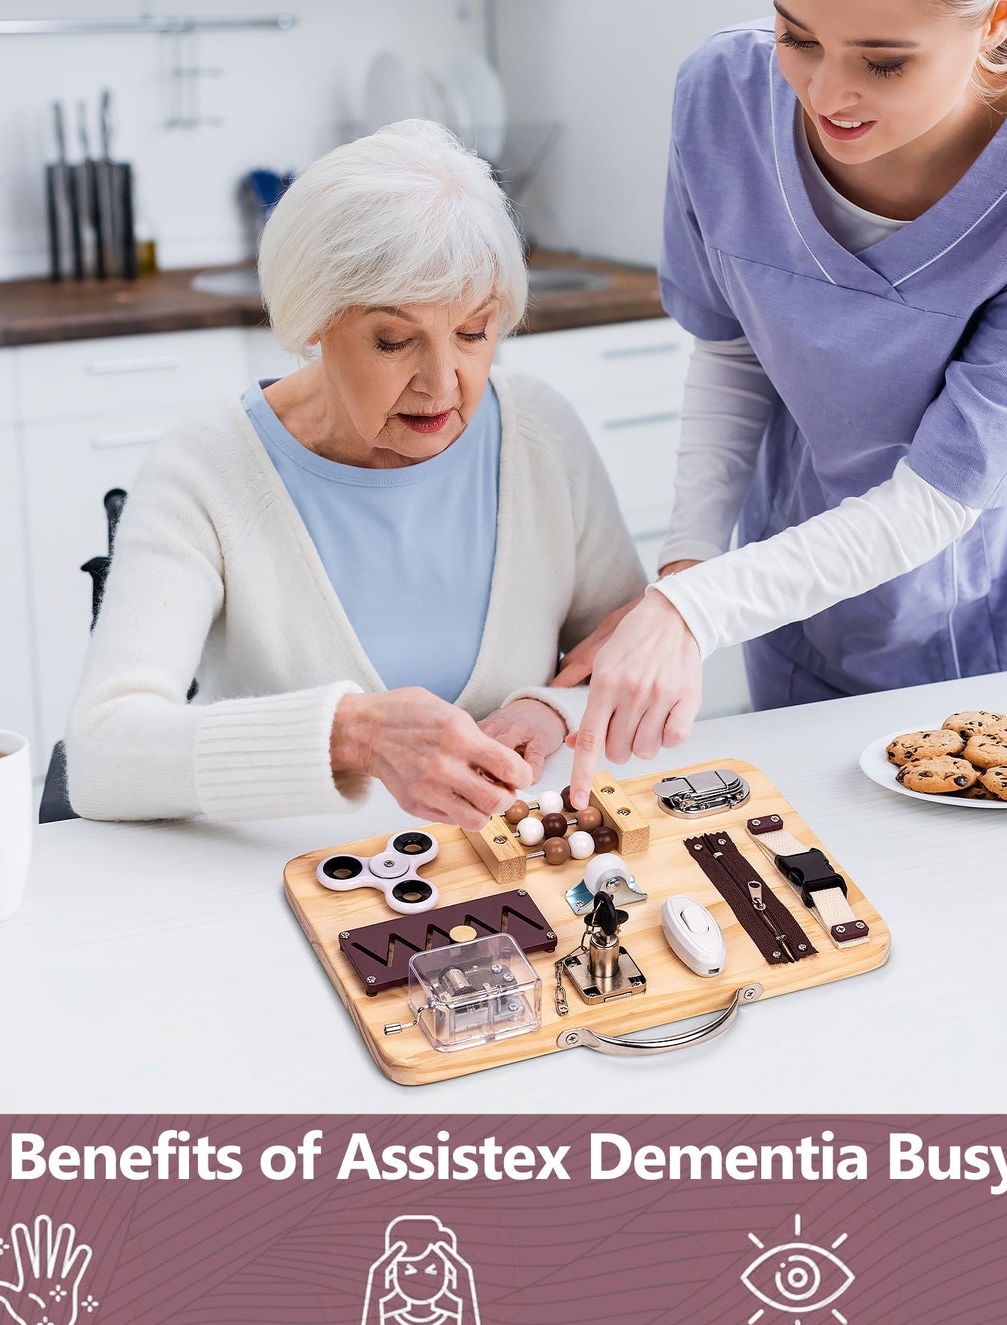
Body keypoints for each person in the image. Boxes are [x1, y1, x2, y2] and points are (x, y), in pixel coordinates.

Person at [558, 0, 1007, 805]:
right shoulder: (722, 94)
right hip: (807, 571)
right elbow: (736, 347)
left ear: (994, 18)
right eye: (797, 37)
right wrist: (688, 571)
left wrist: (692, 609)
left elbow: (939, 495)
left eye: (883, 62)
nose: (826, 93)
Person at [66, 121, 644, 828]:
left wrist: (550, 708)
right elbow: (100, 756)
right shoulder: (206, 468)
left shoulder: (540, 434)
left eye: (473, 332)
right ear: (315, 320)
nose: (442, 383)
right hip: (283, 882)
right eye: (394, 340)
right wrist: (352, 734)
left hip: (513, 877)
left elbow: (634, 653)